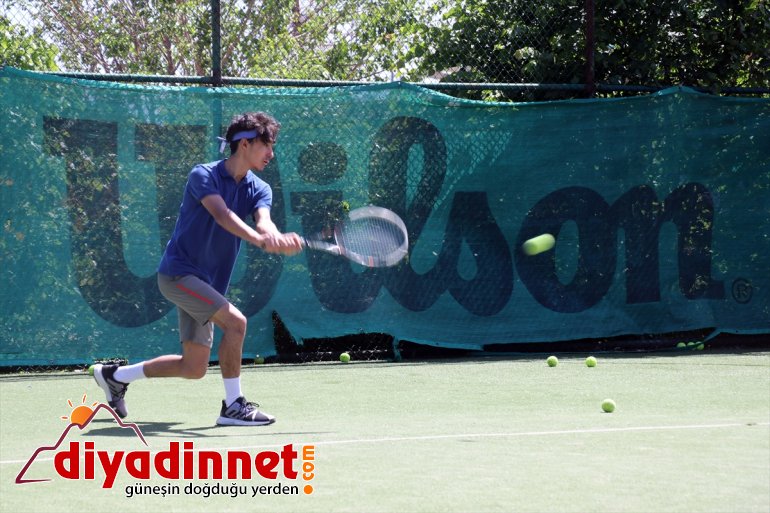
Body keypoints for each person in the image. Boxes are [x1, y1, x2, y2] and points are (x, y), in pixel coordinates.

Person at [91, 112, 303, 426]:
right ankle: (233, 406)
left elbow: (264, 220)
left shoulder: (260, 188)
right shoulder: (202, 175)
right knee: (236, 324)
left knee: (193, 367)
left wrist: (273, 235)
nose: (271, 154)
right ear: (244, 144)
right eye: (266, 145)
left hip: (206, 284)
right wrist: (260, 240)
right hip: (179, 274)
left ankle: (115, 376)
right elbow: (222, 215)